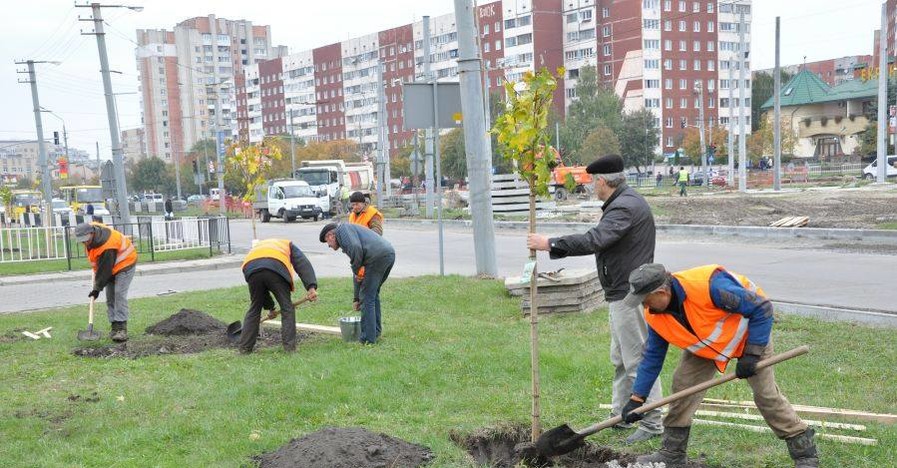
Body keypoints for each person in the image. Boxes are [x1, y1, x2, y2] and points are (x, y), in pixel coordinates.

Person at [620, 263, 818, 467]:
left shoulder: (710, 287)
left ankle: (805, 453)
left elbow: (762, 308)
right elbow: (652, 356)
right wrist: (637, 398)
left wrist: (751, 355)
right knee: (682, 389)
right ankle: (672, 453)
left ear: (662, 291)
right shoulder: (655, 315)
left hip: (751, 339)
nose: (645, 306)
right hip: (706, 348)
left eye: (645, 301)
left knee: (766, 395)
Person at [526, 154, 663, 443]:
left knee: (636, 358)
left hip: (630, 294)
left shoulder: (624, 207)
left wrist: (550, 243)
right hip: (620, 291)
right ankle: (622, 415)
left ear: (603, 181)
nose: (591, 187)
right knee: (621, 358)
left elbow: (594, 239)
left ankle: (651, 423)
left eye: (592, 182)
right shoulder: (624, 202)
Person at [320, 222, 395, 344]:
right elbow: (357, 272)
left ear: (330, 236)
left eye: (326, 242)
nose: (328, 245)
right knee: (372, 294)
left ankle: (367, 339)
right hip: (388, 254)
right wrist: (356, 298)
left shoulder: (342, 230)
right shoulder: (348, 236)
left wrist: (357, 271)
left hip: (376, 257)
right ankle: (375, 332)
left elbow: (355, 250)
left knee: (367, 297)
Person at [240, 238, 318, 353]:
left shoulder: (259, 247)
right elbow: (302, 263)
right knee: (287, 308)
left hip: (251, 268)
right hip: (275, 266)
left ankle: (245, 348)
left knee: (255, 308)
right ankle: (289, 348)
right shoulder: (288, 245)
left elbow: (263, 290)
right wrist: (311, 286)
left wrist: (271, 308)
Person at [74, 222, 138, 342]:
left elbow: (105, 270)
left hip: (125, 264)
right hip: (110, 267)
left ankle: (121, 329)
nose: (85, 243)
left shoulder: (107, 245)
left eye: (86, 240)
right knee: (110, 297)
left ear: (92, 233)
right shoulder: (92, 229)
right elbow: (103, 268)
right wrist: (97, 286)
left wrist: (96, 289)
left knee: (118, 294)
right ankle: (114, 327)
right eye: (82, 241)